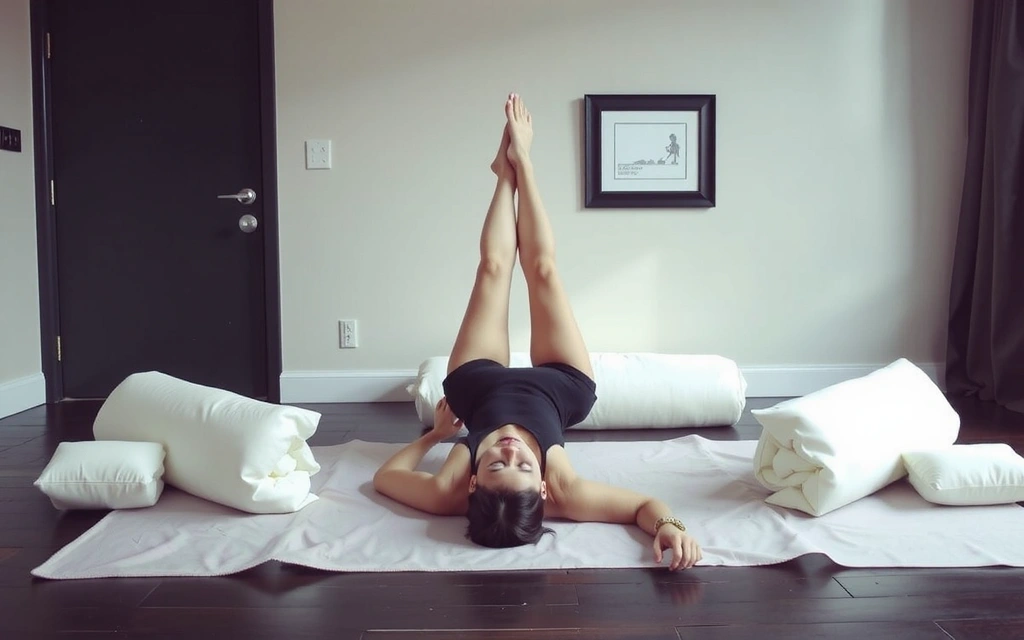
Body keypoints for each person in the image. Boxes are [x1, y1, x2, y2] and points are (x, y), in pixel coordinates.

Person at [373, 93, 702, 571]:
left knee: (492, 270)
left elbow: (386, 477)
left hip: (478, 383)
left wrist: (436, 434)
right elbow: (641, 507)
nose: (510, 453)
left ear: (473, 482)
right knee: (543, 269)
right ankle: (522, 160)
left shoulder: (449, 490)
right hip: (560, 386)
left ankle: (503, 174)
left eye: (495, 465)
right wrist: (673, 526)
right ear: (544, 486)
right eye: (524, 467)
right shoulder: (566, 493)